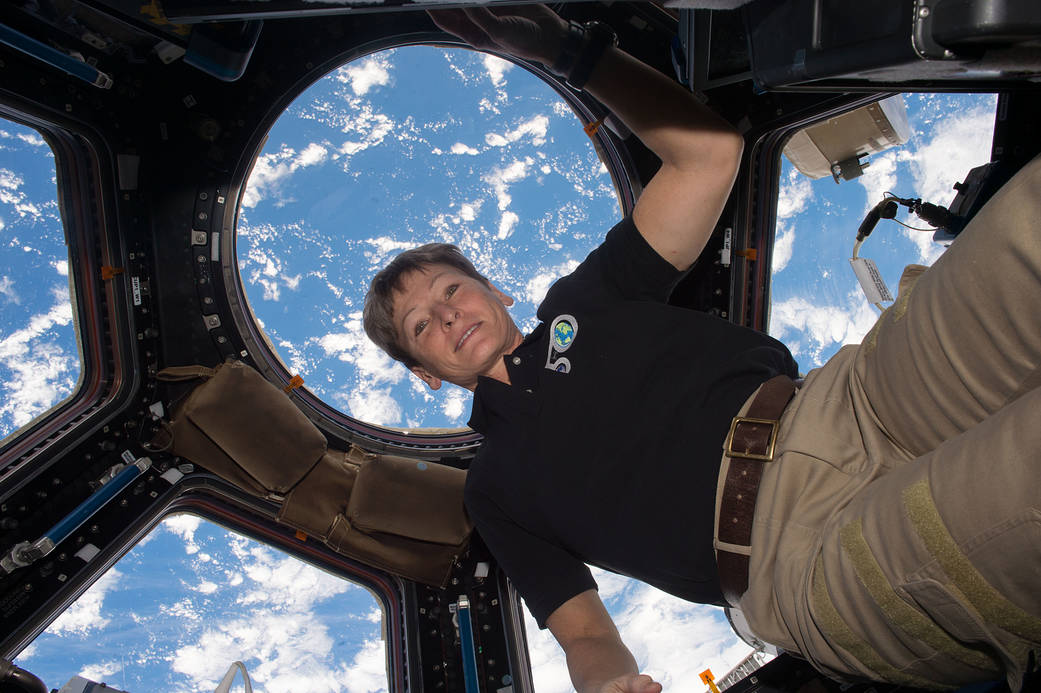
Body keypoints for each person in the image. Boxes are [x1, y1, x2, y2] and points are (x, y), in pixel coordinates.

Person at [363, 6, 1041, 693]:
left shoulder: (584, 300)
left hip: (858, 398)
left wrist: (565, 49)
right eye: (421, 326)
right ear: (424, 374)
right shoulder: (493, 489)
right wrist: (606, 684)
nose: (446, 315)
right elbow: (587, 633)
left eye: (451, 290)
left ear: (497, 292)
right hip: (796, 558)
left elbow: (709, 154)